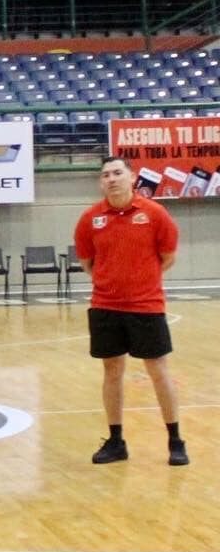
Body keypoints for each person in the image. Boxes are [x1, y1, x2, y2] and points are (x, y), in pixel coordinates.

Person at [74, 156, 187, 466]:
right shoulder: (90, 218)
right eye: (105, 175)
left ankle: (175, 440)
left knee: (158, 370)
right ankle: (115, 440)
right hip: (105, 306)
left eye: (117, 173)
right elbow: (87, 262)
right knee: (112, 371)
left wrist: (141, 280)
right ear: (101, 182)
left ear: (132, 177)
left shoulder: (154, 214)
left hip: (146, 305)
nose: (111, 179)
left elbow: (167, 256)